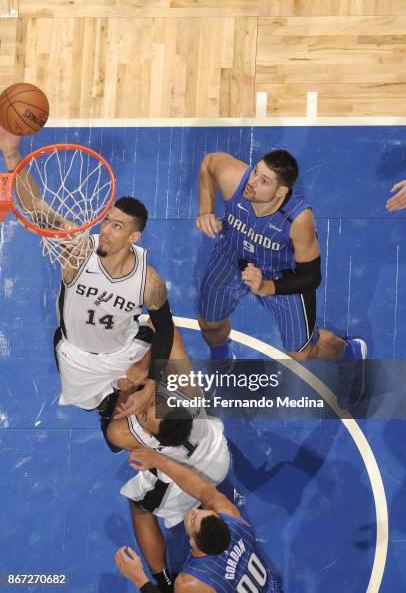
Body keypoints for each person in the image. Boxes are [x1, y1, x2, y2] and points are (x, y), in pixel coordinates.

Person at [0, 125, 175, 439]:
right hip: (78, 357)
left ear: (134, 237)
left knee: (158, 399)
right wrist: (11, 154)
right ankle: (111, 394)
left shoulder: (149, 281)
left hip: (124, 351)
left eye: (117, 226)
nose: (106, 230)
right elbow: (36, 210)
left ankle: (141, 377)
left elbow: (167, 329)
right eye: (107, 220)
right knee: (85, 404)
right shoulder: (79, 250)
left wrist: (151, 383)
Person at [196, 150, 366, 368]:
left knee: (302, 353)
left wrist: (266, 286)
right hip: (233, 253)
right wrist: (205, 210)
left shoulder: (298, 219)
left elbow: (311, 277)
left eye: (264, 181)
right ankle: (222, 360)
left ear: (281, 191)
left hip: (280, 272)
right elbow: (209, 164)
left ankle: (350, 352)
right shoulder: (233, 177)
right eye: (255, 171)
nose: (252, 181)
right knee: (210, 324)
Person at [107, 327, 230, 592]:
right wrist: (144, 368)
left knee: (140, 507)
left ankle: (161, 580)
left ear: (152, 438)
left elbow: (114, 431)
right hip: (217, 459)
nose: (142, 408)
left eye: (143, 415)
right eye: (153, 404)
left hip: (181, 486)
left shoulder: (135, 436)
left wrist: (127, 392)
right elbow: (169, 331)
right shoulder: (189, 392)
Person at [115, 445, 280, 592]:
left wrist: (138, 578)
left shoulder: (190, 583)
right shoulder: (227, 513)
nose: (194, 510)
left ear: (193, 543)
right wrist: (158, 460)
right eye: (203, 513)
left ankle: (163, 582)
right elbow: (202, 491)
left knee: (140, 504)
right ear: (221, 520)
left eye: (194, 519)